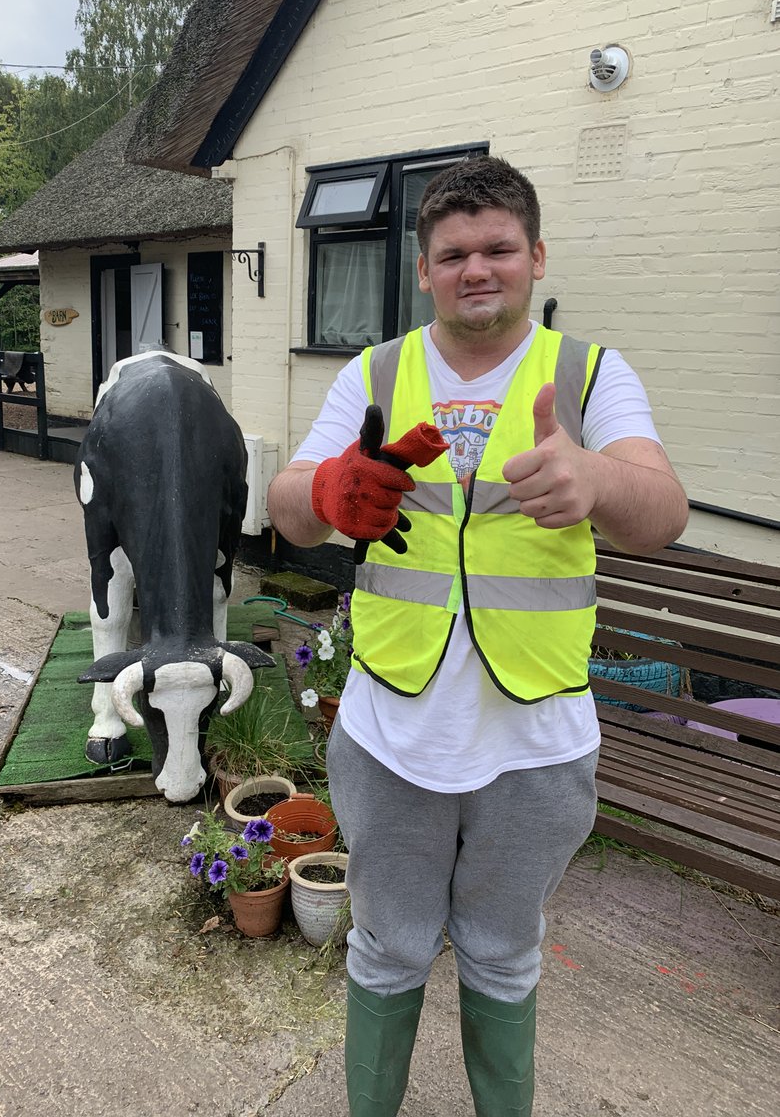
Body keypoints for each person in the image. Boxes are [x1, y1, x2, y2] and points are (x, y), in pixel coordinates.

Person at [267, 156, 688, 1116]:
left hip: (535, 742)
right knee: (385, 945)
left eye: (499, 247)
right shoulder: (375, 373)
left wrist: (596, 480)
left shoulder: (587, 374)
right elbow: (289, 508)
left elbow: (660, 510)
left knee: (503, 952)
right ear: (424, 270)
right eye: (454, 253)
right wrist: (332, 488)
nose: (477, 269)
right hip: (391, 732)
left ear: (535, 255)